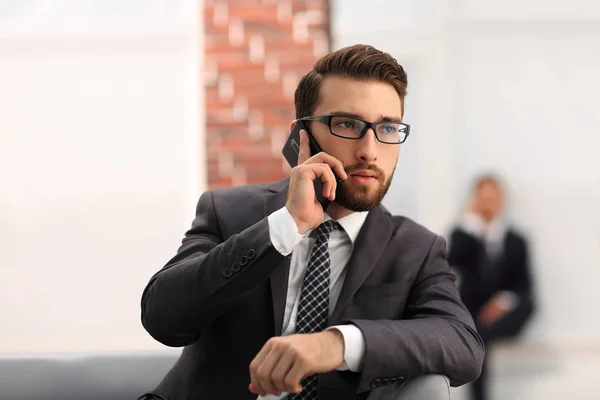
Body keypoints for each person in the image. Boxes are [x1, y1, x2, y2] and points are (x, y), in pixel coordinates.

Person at [139, 44, 484, 400]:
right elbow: (163, 320)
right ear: (301, 136)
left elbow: (463, 345)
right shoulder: (228, 211)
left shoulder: (416, 248)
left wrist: (336, 344)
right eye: (348, 124)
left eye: (387, 128)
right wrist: (286, 225)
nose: (369, 149)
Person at [448, 175, 535, 400]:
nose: (488, 203)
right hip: (475, 309)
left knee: (486, 330)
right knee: (478, 331)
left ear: (502, 200)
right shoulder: (464, 234)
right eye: (483, 198)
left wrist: (503, 302)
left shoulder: (517, 240)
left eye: (492, 198)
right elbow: (451, 262)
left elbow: (525, 286)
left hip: (506, 312)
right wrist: (472, 228)